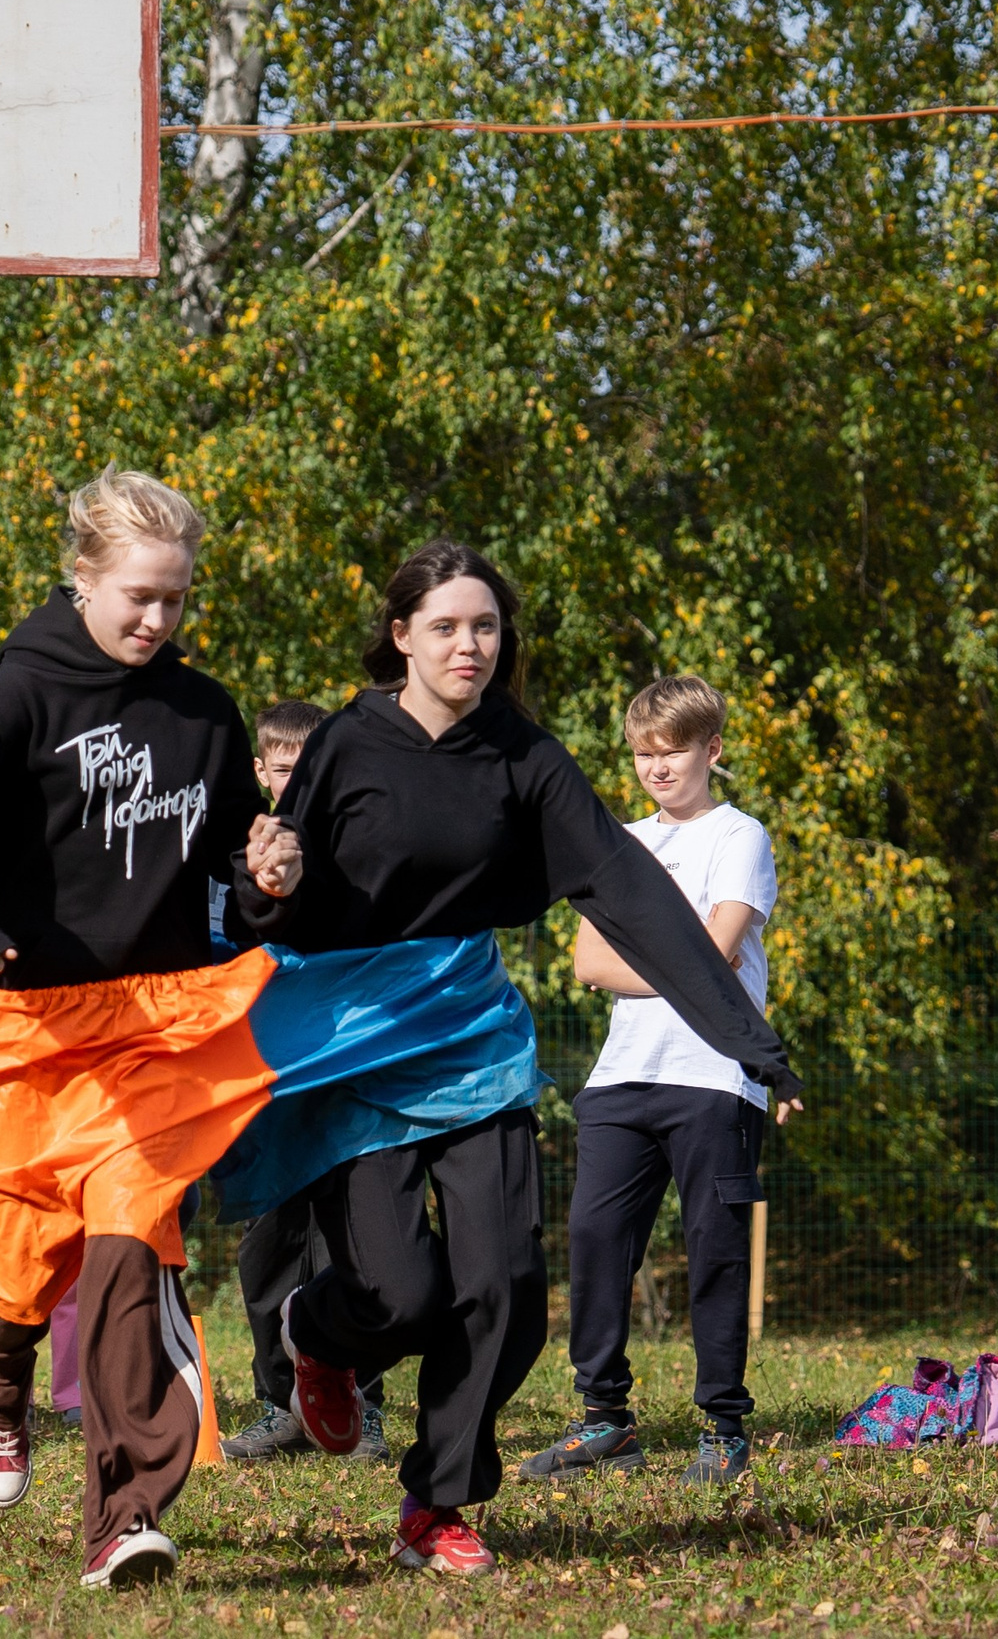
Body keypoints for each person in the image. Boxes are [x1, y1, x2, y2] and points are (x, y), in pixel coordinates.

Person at [236, 545, 804, 1575]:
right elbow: (280, 893)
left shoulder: (522, 755)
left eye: (486, 625)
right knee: (397, 1294)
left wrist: (750, 1042)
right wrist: (264, 885)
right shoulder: (346, 744)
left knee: (505, 1289)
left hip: (470, 1038)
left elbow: (630, 891)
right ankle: (319, 1329)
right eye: (446, 624)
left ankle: (435, 1502)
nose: (469, 643)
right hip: (356, 1043)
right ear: (400, 633)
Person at [0, 465, 267, 1590]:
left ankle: (126, 1513)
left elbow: (236, 862)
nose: (156, 619)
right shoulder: (15, 698)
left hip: (147, 1026)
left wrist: (270, 877)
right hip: (11, 1022)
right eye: (137, 596)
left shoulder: (204, 714)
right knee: (11, 1269)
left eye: (175, 599)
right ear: (81, 577)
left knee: (128, 1244)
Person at [518, 674, 787, 1490]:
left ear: (712, 750)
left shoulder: (740, 836)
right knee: (595, 1243)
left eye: (673, 751)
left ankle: (724, 1424)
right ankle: (605, 1420)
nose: (657, 768)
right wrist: (686, 965)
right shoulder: (618, 846)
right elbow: (587, 961)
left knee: (714, 1249)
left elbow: (722, 949)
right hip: (621, 1077)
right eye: (643, 753)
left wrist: (678, 963)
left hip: (715, 1078)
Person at [222, 700, 389, 1467]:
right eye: (281, 767)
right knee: (270, 1250)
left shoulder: (358, 848)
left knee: (355, 1245)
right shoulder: (236, 852)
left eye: (308, 766)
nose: (294, 780)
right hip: (264, 1077)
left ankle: (363, 1404)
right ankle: (277, 1405)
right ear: (261, 771)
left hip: (349, 1069)